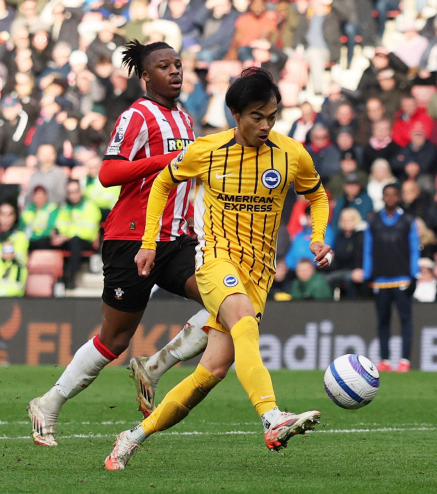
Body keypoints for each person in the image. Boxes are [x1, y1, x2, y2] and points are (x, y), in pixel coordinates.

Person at [105, 68, 331, 470]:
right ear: (235, 114)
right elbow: (161, 185)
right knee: (242, 319)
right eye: (257, 117)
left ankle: (132, 437)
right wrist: (148, 243)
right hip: (216, 260)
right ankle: (271, 416)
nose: (266, 125)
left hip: (259, 274)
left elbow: (317, 194)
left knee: (210, 372)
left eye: (272, 116)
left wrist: (318, 236)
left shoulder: (291, 153)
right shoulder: (206, 150)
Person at [28, 42, 211, 448]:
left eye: (177, 64)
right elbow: (109, 173)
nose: (175, 71)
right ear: (146, 77)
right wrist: (165, 162)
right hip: (131, 237)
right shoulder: (137, 115)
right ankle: (48, 402)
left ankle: (154, 366)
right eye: (164, 66)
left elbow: (185, 176)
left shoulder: (185, 118)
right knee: (115, 339)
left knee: (228, 303)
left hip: (176, 239)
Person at [359, 183, 419, 374]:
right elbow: (367, 249)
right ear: (383, 198)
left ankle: (405, 360)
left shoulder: (408, 221)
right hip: (380, 279)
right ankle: (384, 360)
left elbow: (413, 249)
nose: (391, 198)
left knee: (405, 320)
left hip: (402, 278)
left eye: (394, 194)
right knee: (383, 321)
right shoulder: (374, 221)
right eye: (388, 195)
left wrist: (414, 275)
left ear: (399, 197)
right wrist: (368, 275)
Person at [51, 180, 103, 289]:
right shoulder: (64, 207)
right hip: (67, 240)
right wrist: (56, 235)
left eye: (76, 191)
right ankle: (51, 279)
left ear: (81, 191)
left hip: (86, 241)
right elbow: (60, 225)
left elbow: (89, 232)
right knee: (46, 242)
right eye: (70, 192)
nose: (74, 195)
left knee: (75, 241)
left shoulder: (91, 207)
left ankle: (72, 277)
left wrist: (67, 235)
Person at [21, 186, 59, 250]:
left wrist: (35, 236)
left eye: (41, 196)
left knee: (43, 242)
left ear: (46, 196)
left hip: (44, 238)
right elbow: (22, 226)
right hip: (29, 239)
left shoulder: (52, 208)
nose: (39, 198)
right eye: (37, 196)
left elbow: (51, 228)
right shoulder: (27, 210)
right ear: (33, 197)